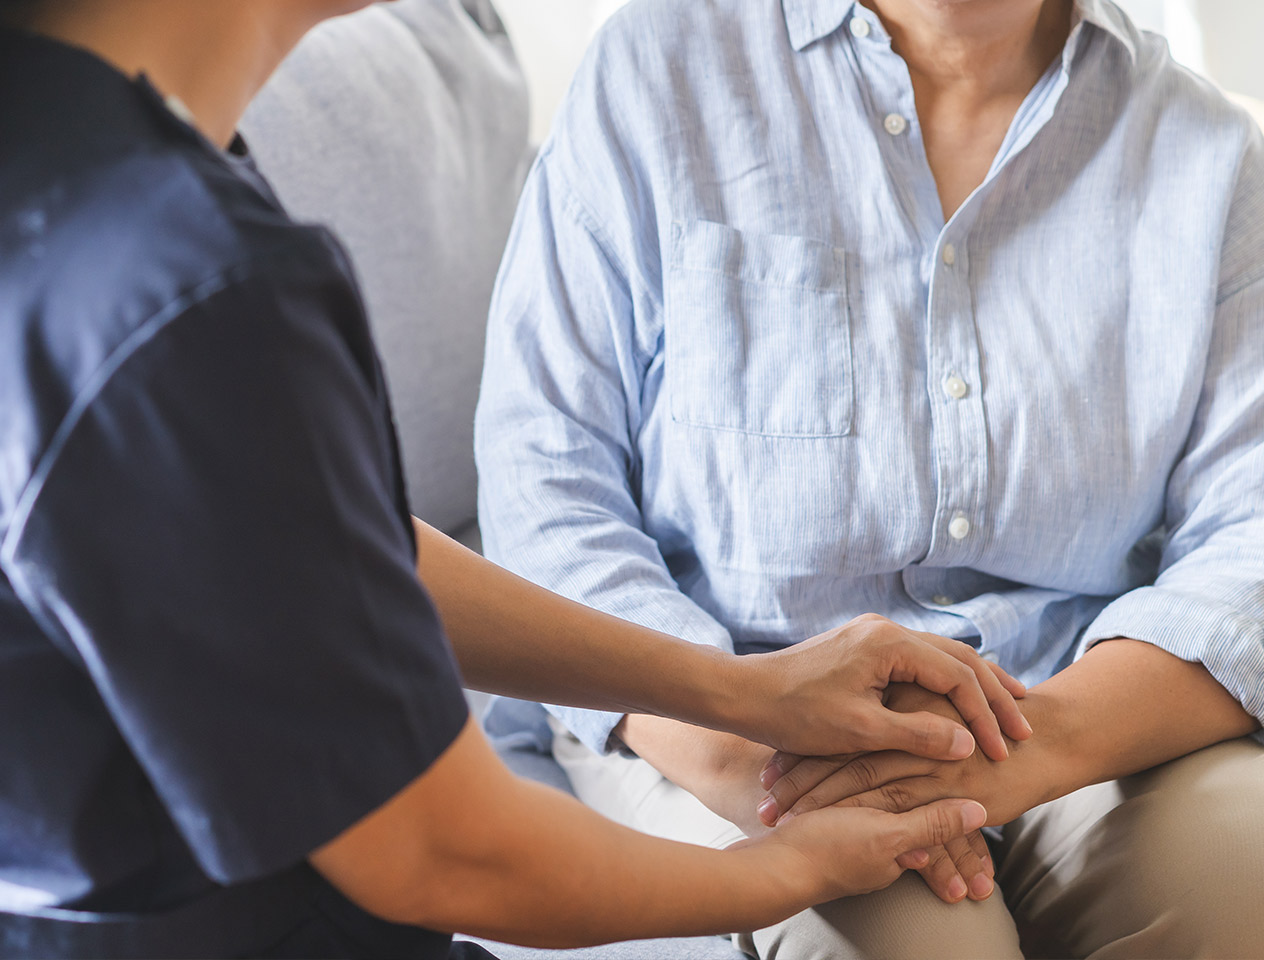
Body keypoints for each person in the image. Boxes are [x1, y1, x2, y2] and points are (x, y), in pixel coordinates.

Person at [0, 2, 1031, 958]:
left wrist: (737, 690)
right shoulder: (182, 282)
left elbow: (310, 552)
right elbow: (444, 853)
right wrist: (781, 873)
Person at [474, 0, 1264, 957]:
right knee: (914, 945)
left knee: (1243, 875)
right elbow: (543, 480)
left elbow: (1249, 534)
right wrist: (746, 756)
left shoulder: (1213, 152)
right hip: (717, 715)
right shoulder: (657, 68)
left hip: (1074, 714)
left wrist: (1038, 743)